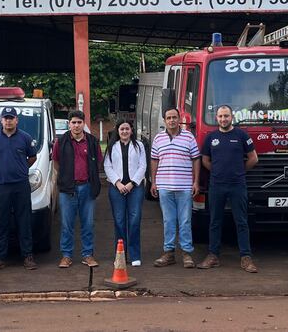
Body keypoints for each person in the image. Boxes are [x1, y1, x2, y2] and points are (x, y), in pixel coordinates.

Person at [197, 104, 259, 273]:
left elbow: (254, 158)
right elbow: (205, 160)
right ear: (216, 118)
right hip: (217, 185)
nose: (223, 119)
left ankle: (246, 257)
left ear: (232, 117)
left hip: (237, 185)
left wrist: (239, 171)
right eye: (220, 116)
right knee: (215, 221)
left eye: (226, 116)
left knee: (241, 222)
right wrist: (218, 172)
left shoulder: (241, 135)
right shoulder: (211, 138)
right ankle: (213, 256)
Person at [0, 106, 38, 272]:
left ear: (16, 120)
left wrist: (21, 168)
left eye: (11, 118)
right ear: (1, 120)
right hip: (2, 185)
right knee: (2, 222)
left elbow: (32, 157)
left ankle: (27, 256)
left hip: (21, 185)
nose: (8, 121)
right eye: (6, 118)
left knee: (24, 221)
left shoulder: (25, 137)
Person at [52, 109, 103, 268]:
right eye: (73, 122)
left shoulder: (92, 142)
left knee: (88, 224)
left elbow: (98, 162)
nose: (76, 125)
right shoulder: (61, 142)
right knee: (67, 224)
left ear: (83, 123)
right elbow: (56, 162)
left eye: (79, 122)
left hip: (87, 187)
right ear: (69, 124)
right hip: (68, 189)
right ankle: (66, 256)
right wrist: (65, 178)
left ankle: (87, 255)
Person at [150, 107, 200, 268]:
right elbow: (154, 160)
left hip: (185, 186)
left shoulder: (189, 137)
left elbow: (196, 159)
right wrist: (153, 182)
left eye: (174, 117)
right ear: (164, 120)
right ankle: (169, 253)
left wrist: (196, 182)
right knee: (168, 221)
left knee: (185, 221)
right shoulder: (158, 138)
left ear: (179, 119)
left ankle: (187, 253)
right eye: (169, 118)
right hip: (164, 186)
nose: (172, 120)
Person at [103, 119, 147, 267]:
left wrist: (132, 183)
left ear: (131, 130)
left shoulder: (139, 145)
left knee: (134, 221)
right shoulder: (112, 146)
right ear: (118, 131)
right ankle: (120, 255)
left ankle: (135, 255)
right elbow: (107, 166)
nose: (124, 131)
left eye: (127, 129)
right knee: (119, 221)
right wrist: (118, 183)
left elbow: (143, 166)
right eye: (122, 129)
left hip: (135, 187)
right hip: (117, 188)